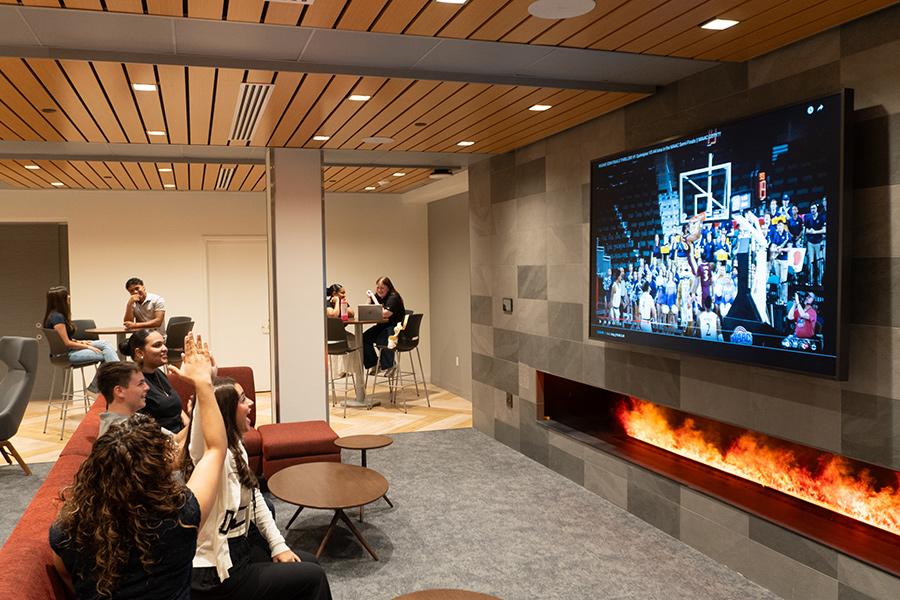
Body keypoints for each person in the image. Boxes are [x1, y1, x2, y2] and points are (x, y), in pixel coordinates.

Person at [50, 334, 227, 600]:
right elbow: (215, 450)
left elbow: (70, 582)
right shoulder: (181, 518)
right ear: (156, 468)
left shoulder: (64, 532)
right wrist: (204, 383)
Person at [184, 378, 332, 600]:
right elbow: (197, 445)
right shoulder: (214, 459)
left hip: (239, 548)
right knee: (314, 576)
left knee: (308, 562)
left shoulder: (236, 446)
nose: (251, 402)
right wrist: (202, 385)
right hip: (216, 572)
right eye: (243, 399)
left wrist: (278, 545)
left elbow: (256, 499)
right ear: (225, 411)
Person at [43, 285, 118, 391]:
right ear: (61, 300)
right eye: (67, 296)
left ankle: (99, 385)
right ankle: (118, 379)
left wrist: (81, 342)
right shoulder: (57, 317)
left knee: (106, 345)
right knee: (108, 353)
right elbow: (66, 343)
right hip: (67, 355)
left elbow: (64, 340)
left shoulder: (54, 315)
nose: (69, 297)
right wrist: (87, 347)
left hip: (69, 350)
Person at [120, 329, 188, 434]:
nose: (165, 349)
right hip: (161, 442)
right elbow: (141, 429)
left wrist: (187, 422)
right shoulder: (134, 384)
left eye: (164, 344)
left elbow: (171, 401)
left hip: (180, 434)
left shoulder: (157, 372)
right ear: (139, 353)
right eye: (157, 345)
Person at [362, 276, 406, 373]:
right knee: (363, 338)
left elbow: (385, 314)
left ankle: (390, 365)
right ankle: (374, 363)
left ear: (388, 288)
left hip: (395, 327)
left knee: (381, 340)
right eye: (378, 287)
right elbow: (366, 311)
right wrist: (370, 299)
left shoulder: (393, 297)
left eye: (382, 288)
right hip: (382, 326)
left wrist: (376, 305)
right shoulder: (377, 296)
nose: (379, 290)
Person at [804, 202, 826, 286]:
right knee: (810, 262)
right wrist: (809, 232)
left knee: (819, 263)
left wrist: (815, 232)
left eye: (814, 208)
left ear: (817, 209)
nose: (812, 210)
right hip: (810, 243)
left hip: (819, 242)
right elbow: (805, 230)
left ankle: (819, 281)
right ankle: (811, 281)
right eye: (811, 208)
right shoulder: (808, 217)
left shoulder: (822, 217)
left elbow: (824, 230)